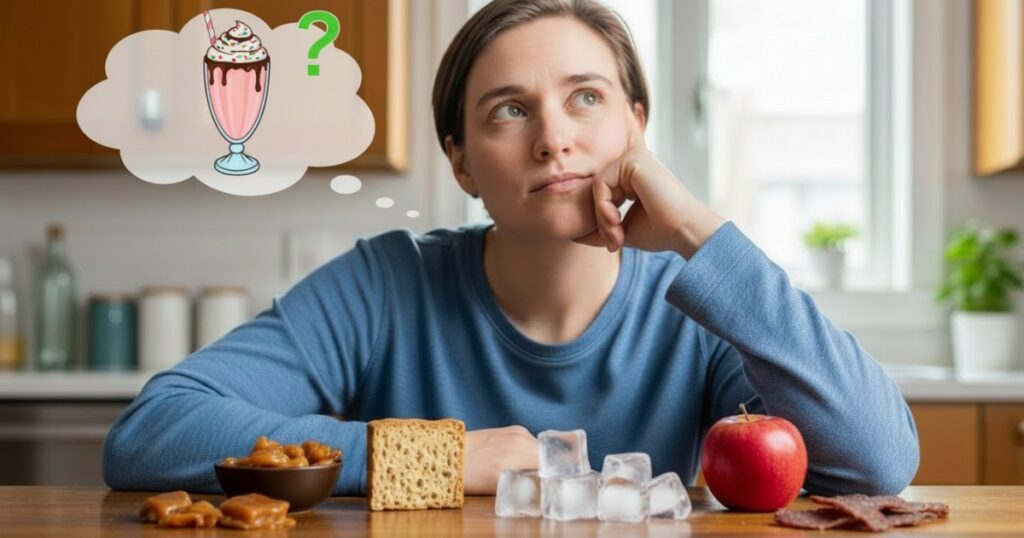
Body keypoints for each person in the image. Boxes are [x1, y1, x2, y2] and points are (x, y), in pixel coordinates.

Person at [103, 0, 919, 497]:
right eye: (508, 111)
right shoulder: (385, 285)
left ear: (637, 125)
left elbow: (878, 462)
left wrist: (701, 235)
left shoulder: (699, 305)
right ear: (461, 160)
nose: (554, 139)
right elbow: (154, 432)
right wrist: (434, 456)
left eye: (586, 100)